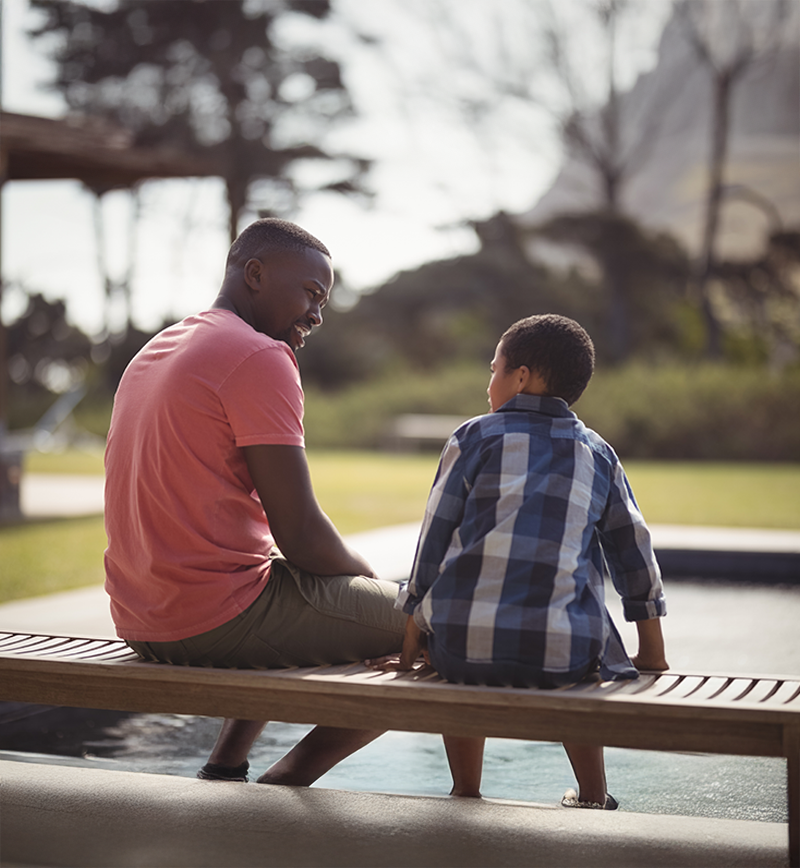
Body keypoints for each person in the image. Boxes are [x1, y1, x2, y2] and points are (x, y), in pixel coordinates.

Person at [104, 218, 406, 785]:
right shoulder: (259, 356)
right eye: (311, 294)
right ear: (256, 274)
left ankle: (225, 766)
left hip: (139, 614)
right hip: (211, 619)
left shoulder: (159, 347)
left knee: (279, 579)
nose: (317, 314)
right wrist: (380, 592)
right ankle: (284, 781)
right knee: (438, 628)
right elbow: (302, 535)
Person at [370, 314, 668, 807]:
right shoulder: (598, 453)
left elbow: (433, 545)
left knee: (466, 596)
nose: (489, 383)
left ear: (522, 376)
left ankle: (466, 790)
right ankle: (594, 795)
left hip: (460, 654)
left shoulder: (473, 438)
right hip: (565, 659)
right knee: (579, 623)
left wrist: (410, 645)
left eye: (494, 370)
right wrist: (651, 653)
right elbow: (634, 552)